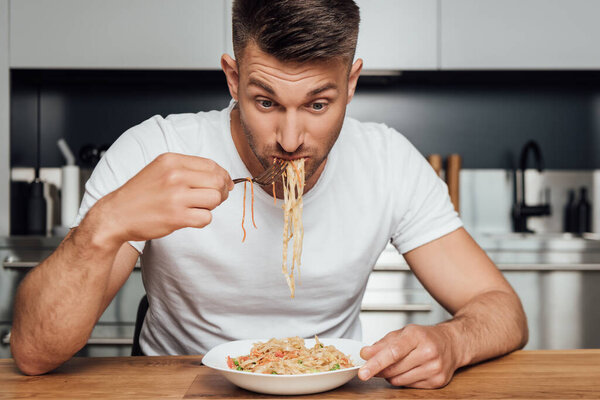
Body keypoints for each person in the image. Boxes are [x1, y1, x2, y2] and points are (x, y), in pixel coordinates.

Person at [11, 0, 528, 388]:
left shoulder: (388, 160)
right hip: (177, 386)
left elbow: (501, 308)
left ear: (351, 83)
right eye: (265, 101)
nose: (289, 138)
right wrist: (103, 226)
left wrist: (452, 341)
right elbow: (33, 354)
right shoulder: (157, 150)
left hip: (331, 390)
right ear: (232, 79)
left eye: (318, 104)